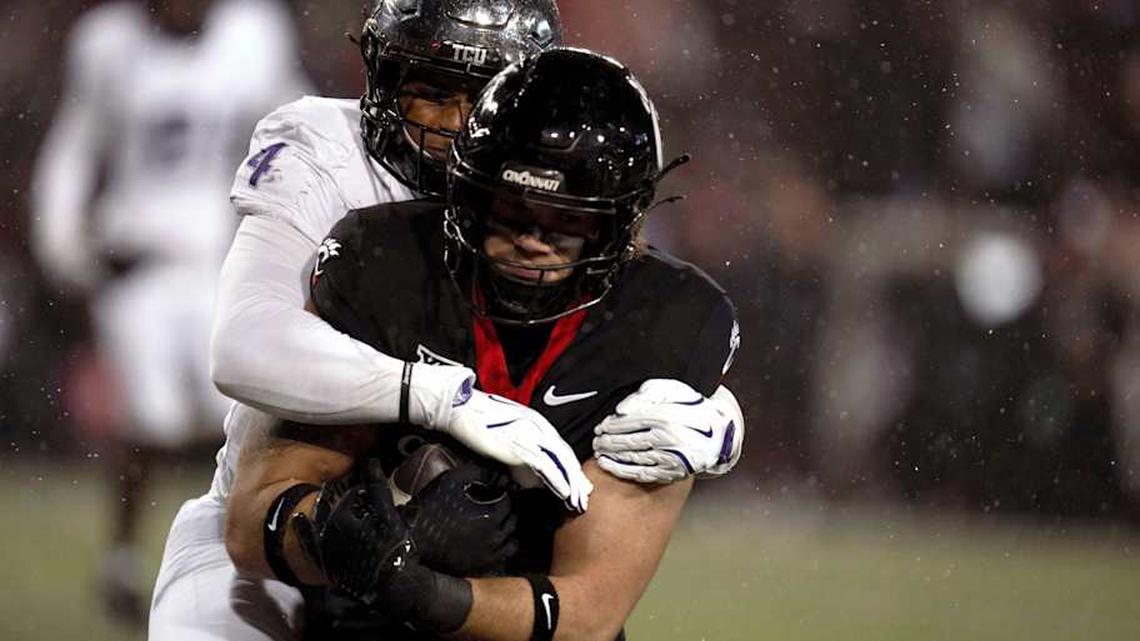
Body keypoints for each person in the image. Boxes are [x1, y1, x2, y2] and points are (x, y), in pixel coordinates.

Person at [224, 47, 742, 641]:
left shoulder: (669, 322)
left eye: (565, 220)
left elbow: (587, 613)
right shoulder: (386, 262)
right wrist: (367, 537)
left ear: (620, 227)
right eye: (511, 209)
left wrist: (423, 590)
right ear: (468, 195)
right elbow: (251, 525)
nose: (530, 239)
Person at [30, 0, 305, 622]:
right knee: (148, 422)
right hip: (138, 259)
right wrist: (67, 247)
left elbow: (293, 127)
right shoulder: (108, 44)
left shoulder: (253, 33)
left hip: (217, 257)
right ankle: (124, 563)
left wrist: (284, 226)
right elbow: (76, 146)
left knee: (239, 417)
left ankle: (243, 559)